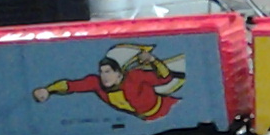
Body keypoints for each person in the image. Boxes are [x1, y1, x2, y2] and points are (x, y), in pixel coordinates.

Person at [35, 44, 184, 121]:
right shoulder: (96, 84)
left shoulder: (135, 77)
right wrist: (48, 90)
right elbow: (70, 85)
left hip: (165, 109)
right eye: (101, 72)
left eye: (108, 72)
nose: (104, 76)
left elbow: (165, 78)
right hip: (145, 118)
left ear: (118, 73)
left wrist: (152, 60)